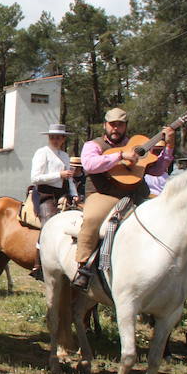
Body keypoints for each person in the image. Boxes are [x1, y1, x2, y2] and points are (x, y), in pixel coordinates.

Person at [71, 108, 174, 291]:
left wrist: (169, 147)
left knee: (166, 217)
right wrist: (119, 156)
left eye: (120, 125)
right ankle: (83, 266)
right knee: (92, 219)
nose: (115, 129)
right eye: (112, 125)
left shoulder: (138, 144)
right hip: (103, 194)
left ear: (126, 126)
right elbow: (89, 164)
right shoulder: (93, 145)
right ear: (105, 125)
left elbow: (157, 169)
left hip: (137, 194)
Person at [27, 124, 78, 279]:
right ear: (49, 138)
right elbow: (35, 178)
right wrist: (59, 174)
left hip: (62, 194)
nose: (55, 140)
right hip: (44, 194)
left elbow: (69, 180)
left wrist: (74, 194)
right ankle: (38, 265)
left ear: (63, 139)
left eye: (59, 137)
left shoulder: (64, 155)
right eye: (53, 137)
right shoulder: (42, 153)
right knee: (49, 224)